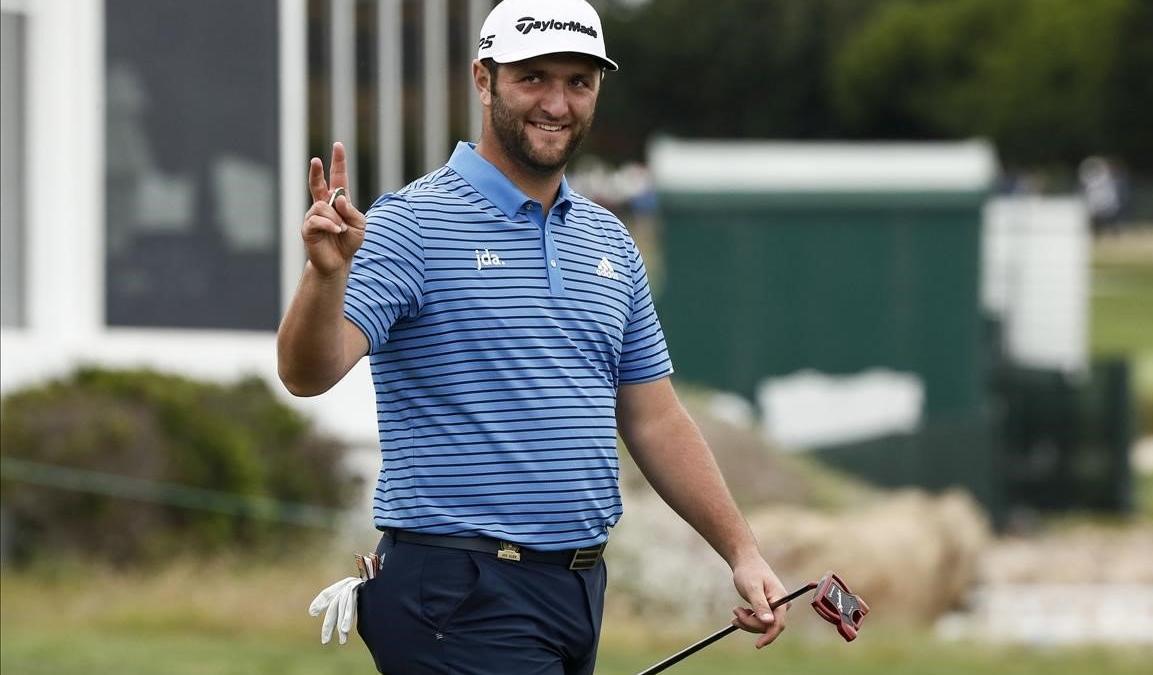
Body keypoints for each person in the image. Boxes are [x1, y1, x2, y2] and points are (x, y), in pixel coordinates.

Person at [277, 0, 789, 672]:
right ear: (484, 79)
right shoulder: (412, 224)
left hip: (576, 587)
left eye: (579, 82)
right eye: (535, 77)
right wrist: (324, 277)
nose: (558, 101)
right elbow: (307, 372)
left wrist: (741, 551)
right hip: (458, 588)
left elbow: (655, 416)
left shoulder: (608, 239)